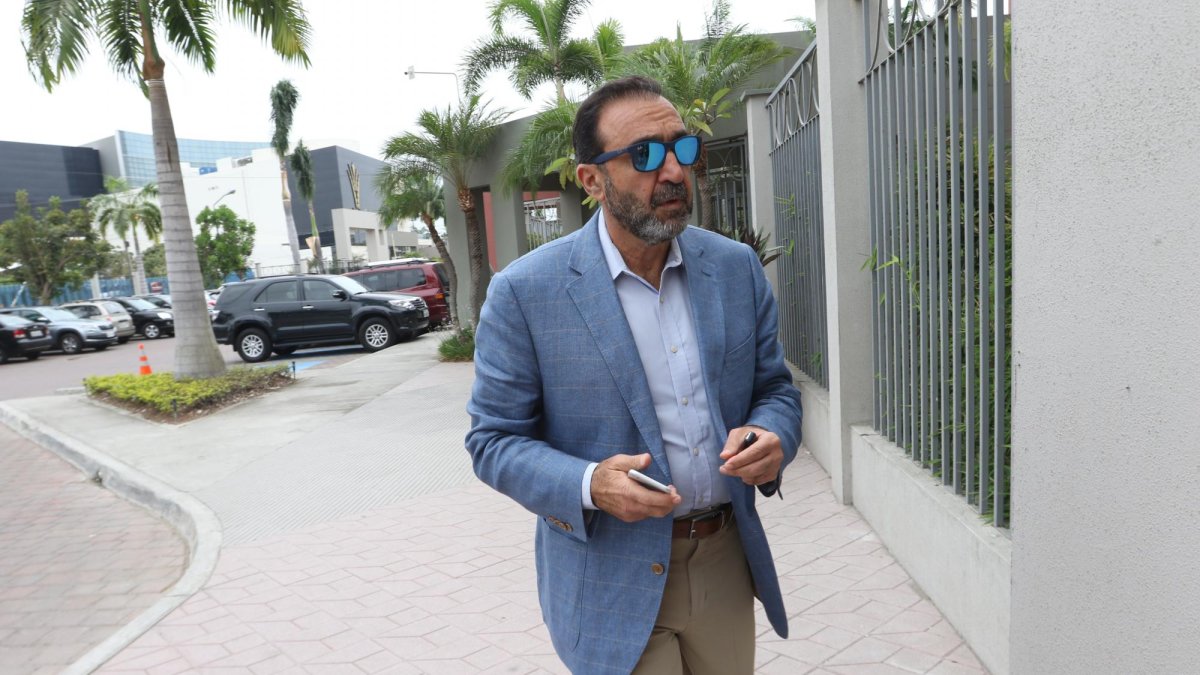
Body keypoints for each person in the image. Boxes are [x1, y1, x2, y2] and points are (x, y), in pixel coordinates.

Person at [466, 75, 803, 675]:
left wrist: (774, 435)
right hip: (610, 575)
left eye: (682, 148)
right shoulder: (526, 293)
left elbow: (774, 388)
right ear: (592, 180)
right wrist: (590, 483)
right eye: (645, 155)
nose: (673, 171)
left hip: (725, 557)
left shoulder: (734, 268)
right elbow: (492, 441)